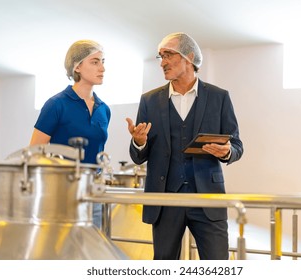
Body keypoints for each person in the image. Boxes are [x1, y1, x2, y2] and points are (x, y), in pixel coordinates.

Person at [126, 32, 243, 260]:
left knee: (218, 266)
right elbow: (139, 156)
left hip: (207, 201)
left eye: (168, 54)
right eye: (160, 56)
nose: (163, 62)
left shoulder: (219, 97)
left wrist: (228, 151)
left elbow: (237, 144)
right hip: (165, 201)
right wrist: (139, 142)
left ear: (189, 57)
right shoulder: (149, 100)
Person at [30, 39, 110, 229]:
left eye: (103, 62)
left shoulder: (104, 109)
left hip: (94, 192)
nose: (103, 68)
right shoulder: (56, 104)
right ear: (77, 66)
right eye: (95, 62)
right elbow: (34, 153)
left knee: (93, 250)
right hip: (61, 192)